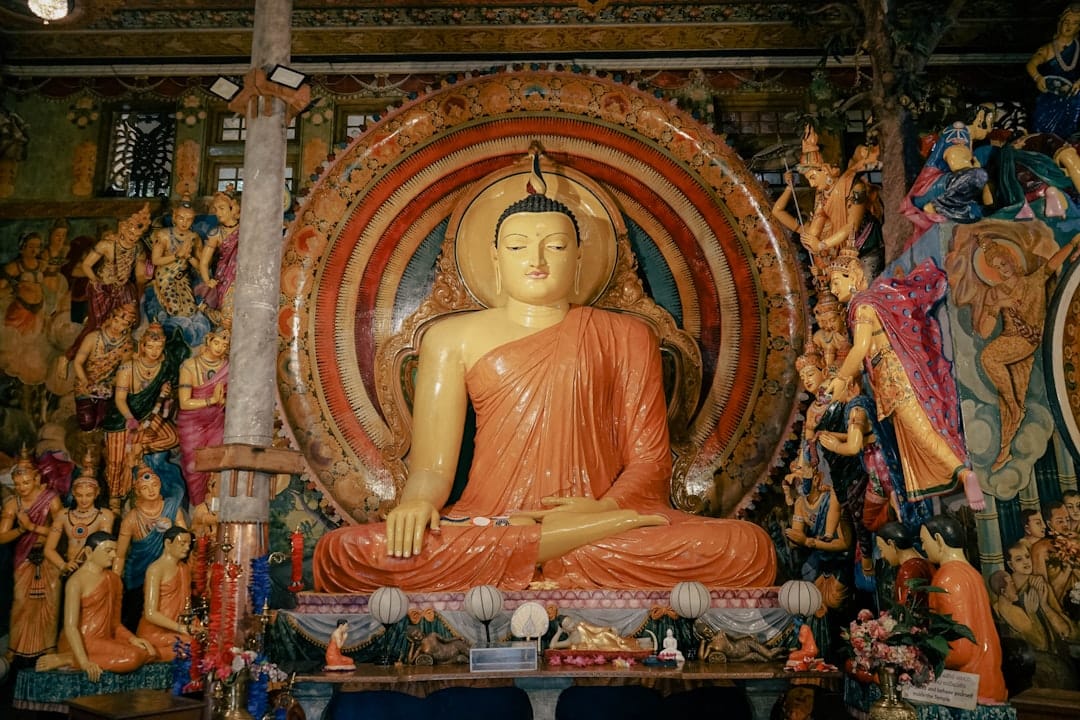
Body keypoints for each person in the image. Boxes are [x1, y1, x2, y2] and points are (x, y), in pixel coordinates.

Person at [312, 166, 777, 593]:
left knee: (746, 547)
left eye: (555, 246)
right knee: (343, 554)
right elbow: (432, 469)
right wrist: (417, 503)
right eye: (517, 247)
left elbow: (649, 462)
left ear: (578, 258)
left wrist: (607, 509)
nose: (536, 259)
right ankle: (557, 546)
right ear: (495, 258)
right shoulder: (450, 338)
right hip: (490, 522)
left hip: (600, 521)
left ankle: (558, 545)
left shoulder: (628, 335)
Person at [823, 250, 985, 510]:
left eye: (836, 282)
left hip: (894, 375)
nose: (833, 289)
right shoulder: (864, 305)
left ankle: (963, 473)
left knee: (920, 428)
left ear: (852, 276)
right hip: (886, 376)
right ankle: (951, 476)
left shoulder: (863, 306)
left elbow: (861, 347)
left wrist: (842, 377)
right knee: (912, 430)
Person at [946, 231, 1080, 470]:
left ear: (1012, 259)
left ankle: (1015, 408)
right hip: (1007, 342)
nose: (1003, 269)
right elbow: (985, 332)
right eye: (997, 267)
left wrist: (1072, 242)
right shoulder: (995, 293)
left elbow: (1053, 263)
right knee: (1006, 396)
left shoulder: (1033, 281)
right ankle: (1006, 446)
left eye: (1004, 263)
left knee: (989, 357)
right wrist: (998, 305)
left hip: (1026, 341)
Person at [771, 126, 881, 289]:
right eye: (808, 179)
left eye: (813, 177)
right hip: (842, 255)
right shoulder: (822, 198)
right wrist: (790, 187)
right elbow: (809, 226)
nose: (811, 184)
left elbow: (852, 226)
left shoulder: (854, 187)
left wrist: (822, 245)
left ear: (824, 170)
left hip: (865, 245)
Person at [35, 531, 153, 681]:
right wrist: (84, 662)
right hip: (82, 641)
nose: (113, 555)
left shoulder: (114, 580)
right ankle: (70, 658)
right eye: (108, 551)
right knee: (133, 657)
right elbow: (71, 627)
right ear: (89, 552)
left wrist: (132, 639)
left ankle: (72, 658)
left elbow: (115, 624)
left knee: (149, 653)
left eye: (115, 551)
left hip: (105, 640)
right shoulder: (76, 582)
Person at [921, 515, 1007, 704]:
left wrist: (924, 658)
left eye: (924, 541)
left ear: (938, 540)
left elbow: (961, 649)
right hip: (988, 677)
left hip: (968, 688)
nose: (923, 547)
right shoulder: (972, 573)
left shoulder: (948, 578)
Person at [101, 323, 185, 509]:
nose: (154, 351)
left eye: (159, 347)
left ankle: (137, 449)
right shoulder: (127, 368)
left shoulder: (164, 367)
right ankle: (115, 498)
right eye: (150, 346)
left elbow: (168, 401)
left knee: (172, 437)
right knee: (116, 461)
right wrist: (130, 419)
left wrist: (166, 394)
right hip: (122, 418)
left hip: (149, 415)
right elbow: (120, 399)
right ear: (143, 346)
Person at [65, 204, 150, 365]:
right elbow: (86, 265)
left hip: (124, 289)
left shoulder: (138, 248)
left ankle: (113, 360)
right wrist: (95, 281)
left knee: (129, 323)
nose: (133, 237)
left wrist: (139, 292)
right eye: (131, 232)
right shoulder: (107, 244)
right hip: (102, 288)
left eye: (137, 235)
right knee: (98, 325)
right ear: (123, 228)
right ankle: (69, 357)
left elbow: (140, 275)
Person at [0, 450, 63, 659]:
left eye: (26, 482)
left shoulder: (51, 499)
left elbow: (60, 531)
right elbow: (2, 537)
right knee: (20, 603)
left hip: (49, 555)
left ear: (36, 479)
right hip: (24, 557)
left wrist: (32, 527)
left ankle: (49, 647)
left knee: (51, 603)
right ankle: (14, 649)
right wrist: (21, 529)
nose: (22, 488)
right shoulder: (13, 504)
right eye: (17, 484)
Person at [114, 464, 187, 628]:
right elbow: (120, 555)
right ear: (138, 491)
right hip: (138, 572)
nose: (151, 490)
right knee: (134, 614)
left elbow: (185, 538)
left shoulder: (172, 509)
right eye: (145, 488)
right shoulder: (131, 519)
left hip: (166, 571)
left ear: (160, 485)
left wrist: (173, 531)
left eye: (154, 485)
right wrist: (115, 581)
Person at [176, 326, 229, 506]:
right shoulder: (190, 366)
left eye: (225, 345)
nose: (220, 348)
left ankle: (213, 508)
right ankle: (198, 507)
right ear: (208, 341)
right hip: (191, 424)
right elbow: (184, 402)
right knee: (194, 468)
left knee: (215, 465)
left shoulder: (227, 367)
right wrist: (211, 400)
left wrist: (223, 401)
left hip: (216, 422)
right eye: (217, 342)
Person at [70, 302, 138, 432]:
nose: (117, 326)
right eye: (116, 321)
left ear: (129, 326)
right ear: (110, 318)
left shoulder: (127, 345)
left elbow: (122, 372)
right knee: (87, 423)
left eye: (123, 324)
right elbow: (78, 362)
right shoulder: (93, 337)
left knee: (105, 422)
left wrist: (110, 385)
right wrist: (85, 381)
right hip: (85, 385)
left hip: (107, 388)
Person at [136, 526, 195, 661]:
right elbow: (150, 613)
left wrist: (193, 625)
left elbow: (186, 605)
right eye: (182, 543)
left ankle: (154, 654)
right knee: (192, 645)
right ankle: (148, 654)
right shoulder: (155, 569)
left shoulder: (184, 568)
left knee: (208, 638)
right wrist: (180, 628)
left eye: (189, 544)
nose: (187, 548)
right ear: (168, 543)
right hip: (156, 631)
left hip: (179, 628)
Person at [44, 468, 115, 576]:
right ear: (73, 493)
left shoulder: (104, 516)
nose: (84, 500)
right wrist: (63, 565)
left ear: (97, 493)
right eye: (79, 495)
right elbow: (49, 549)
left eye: (89, 495)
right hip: (70, 568)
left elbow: (105, 548)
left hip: (93, 571)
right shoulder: (63, 515)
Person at [1027, 3, 1080, 137]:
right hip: (1050, 94)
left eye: (1074, 23)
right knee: (1043, 129)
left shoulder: (1079, 48)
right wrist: (1038, 78)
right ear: (1060, 23)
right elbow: (1032, 64)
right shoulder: (1049, 48)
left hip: (1074, 96)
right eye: (1066, 22)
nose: (1069, 26)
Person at [198, 187, 241, 316]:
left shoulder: (246, 229)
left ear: (232, 208)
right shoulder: (215, 233)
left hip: (243, 275)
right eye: (216, 209)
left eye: (222, 208)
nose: (218, 213)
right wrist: (208, 280)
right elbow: (203, 263)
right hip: (223, 276)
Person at [875, 522, 932, 607]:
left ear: (891, 544)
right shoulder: (923, 563)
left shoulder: (908, 571)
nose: (882, 555)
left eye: (881, 549)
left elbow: (906, 608)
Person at [1, 230, 46, 332]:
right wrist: (15, 287)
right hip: (20, 311)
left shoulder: (42, 265)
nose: (34, 251)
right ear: (22, 248)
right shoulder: (13, 267)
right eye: (31, 247)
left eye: (37, 247)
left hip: (39, 310)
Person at [550, 616, 641, 652]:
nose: (571, 624)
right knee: (617, 648)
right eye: (567, 625)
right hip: (598, 647)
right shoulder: (570, 640)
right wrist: (559, 632)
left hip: (601, 637)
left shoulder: (580, 625)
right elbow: (552, 646)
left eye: (570, 621)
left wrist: (608, 628)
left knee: (612, 638)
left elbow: (595, 629)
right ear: (564, 629)